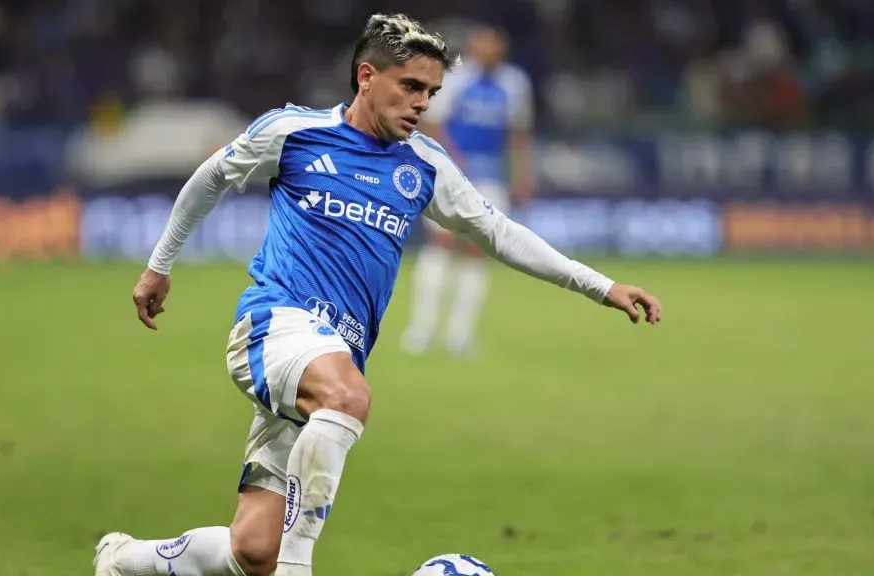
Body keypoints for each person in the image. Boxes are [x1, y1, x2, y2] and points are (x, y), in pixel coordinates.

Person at [95, 12, 662, 576]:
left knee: (252, 552)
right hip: (275, 327)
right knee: (348, 398)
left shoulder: (425, 166)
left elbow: (500, 233)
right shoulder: (294, 133)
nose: (421, 104)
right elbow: (211, 177)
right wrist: (159, 266)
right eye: (410, 86)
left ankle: (123, 560)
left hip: (332, 357)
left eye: (431, 93)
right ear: (367, 76)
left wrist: (601, 286)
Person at [400, 23, 536, 358]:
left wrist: (522, 175)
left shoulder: (514, 83)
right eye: (483, 46)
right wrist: (451, 161)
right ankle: (421, 329)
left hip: (490, 178)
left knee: (478, 251)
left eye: (494, 47)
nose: (489, 53)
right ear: (473, 49)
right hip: (450, 175)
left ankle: (459, 336)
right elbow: (431, 124)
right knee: (442, 244)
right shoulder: (454, 79)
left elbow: (517, 133)